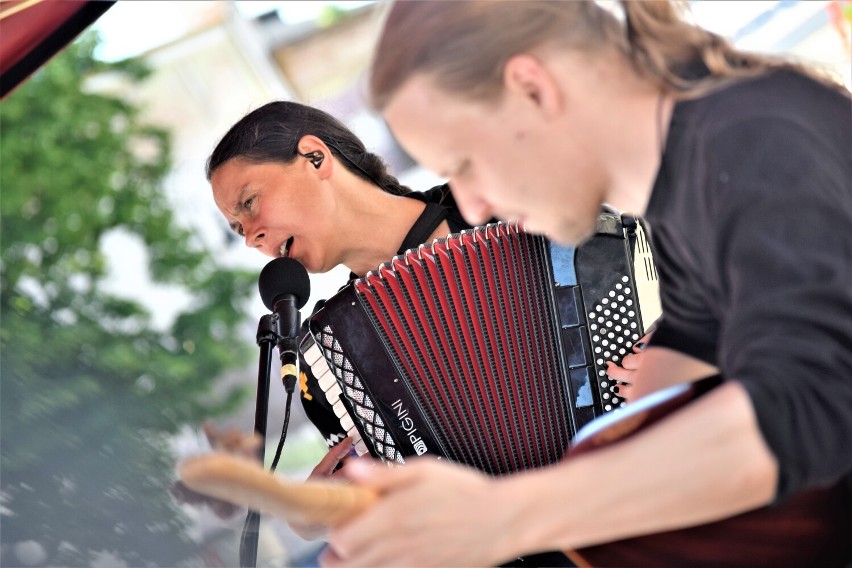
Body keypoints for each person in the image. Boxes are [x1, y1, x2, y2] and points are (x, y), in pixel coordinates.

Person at [315, 1, 852, 567]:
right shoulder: (685, 174)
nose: (470, 204)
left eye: (465, 162)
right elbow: (695, 338)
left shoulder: (753, 140)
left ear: (531, 88)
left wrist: (502, 515)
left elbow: (816, 400)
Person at [204, 101, 629, 565]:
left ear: (315, 157)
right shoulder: (335, 359)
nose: (251, 238)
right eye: (238, 228)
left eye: (249, 203)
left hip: (648, 484)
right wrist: (330, 511)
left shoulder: (500, 200)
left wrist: (664, 339)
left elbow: (647, 270)